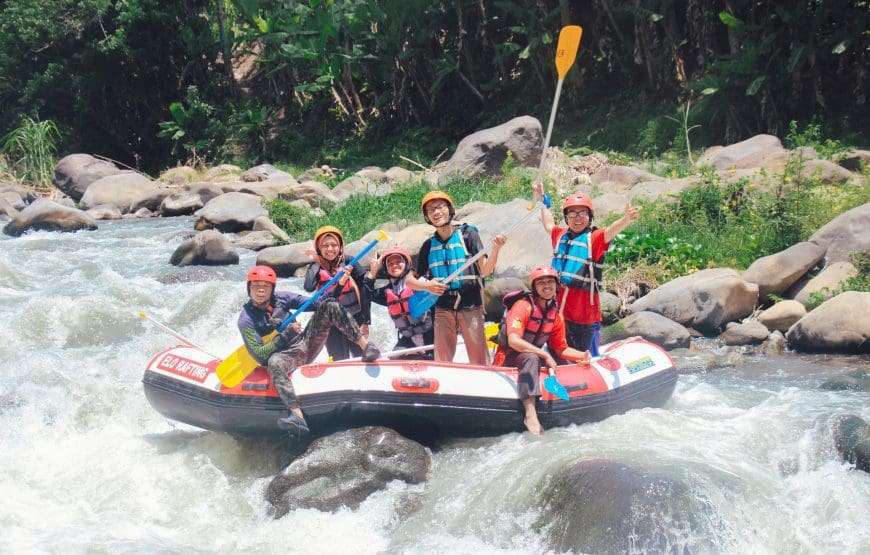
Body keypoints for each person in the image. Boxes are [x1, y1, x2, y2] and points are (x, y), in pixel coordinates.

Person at [238, 265, 380, 438]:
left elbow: (317, 303)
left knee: (330, 305)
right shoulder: (246, 320)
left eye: (266, 286)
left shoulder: (282, 298)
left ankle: (367, 346)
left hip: (305, 342)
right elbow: (260, 355)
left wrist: (339, 286)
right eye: (255, 285)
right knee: (273, 361)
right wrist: (285, 336)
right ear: (248, 288)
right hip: (286, 356)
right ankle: (296, 416)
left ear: (272, 288)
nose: (261, 290)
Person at [534, 184, 638, 355]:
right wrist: (543, 201)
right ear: (566, 217)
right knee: (558, 351)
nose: (577, 218)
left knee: (587, 355)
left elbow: (610, 231)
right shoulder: (560, 235)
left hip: (585, 314)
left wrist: (625, 220)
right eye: (572, 213)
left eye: (582, 213)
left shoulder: (594, 239)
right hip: (560, 310)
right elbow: (548, 224)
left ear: (589, 217)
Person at [405, 190, 506, 365]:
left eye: (440, 207)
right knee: (442, 359)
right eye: (431, 210)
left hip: (470, 303)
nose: (436, 212)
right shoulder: (428, 246)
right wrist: (427, 286)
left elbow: (485, 271)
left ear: (450, 210)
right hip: (443, 306)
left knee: (478, 358)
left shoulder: (468, 236)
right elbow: (409, 280)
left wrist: (496, 250)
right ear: (427, 217)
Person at [492, 265, 591, 436]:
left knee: (551, 359)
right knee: (532, 357)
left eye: (550, 282)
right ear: (534, 288)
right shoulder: (523, 306)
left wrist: (582, 355)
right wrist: (544, 354)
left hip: (532, 355)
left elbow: (561, 348)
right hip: (509, 358)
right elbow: (514, 341)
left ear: (557, 285)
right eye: (541, 283)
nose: (546, 286)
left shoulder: (555, 315)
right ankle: (530, 415)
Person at [303, 225, 372, 361]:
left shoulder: (350, 262)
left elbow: (364, 292)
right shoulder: (316, 267)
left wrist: (366, 321)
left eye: (334, 245)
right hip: (332, 326)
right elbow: (309, 287)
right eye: (325, 245)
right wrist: (315, 261)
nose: (330, 249)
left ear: (340, 246)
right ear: (318, 248)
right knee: (339, 359)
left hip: (355, 320)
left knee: (363, 357)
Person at [364, 246, 434, 359]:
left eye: (398, 261)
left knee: (431, 359)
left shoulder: (420, 283)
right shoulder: (387, 292)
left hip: (431, 335)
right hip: (408, 338)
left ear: (406, 263)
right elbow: (366, 294)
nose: (394, 265)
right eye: (390, 264)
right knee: (394, 359)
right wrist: (372, 273)